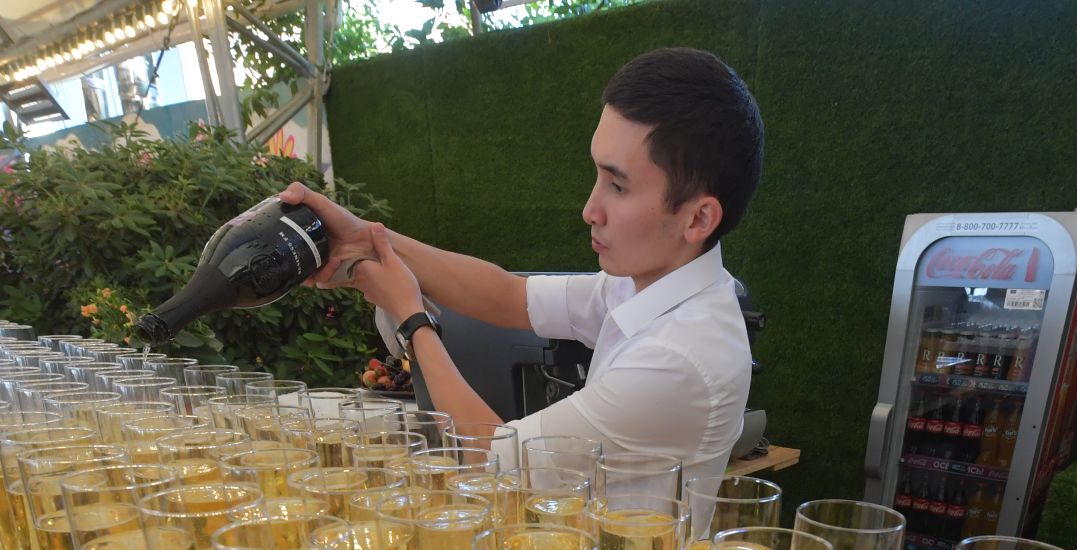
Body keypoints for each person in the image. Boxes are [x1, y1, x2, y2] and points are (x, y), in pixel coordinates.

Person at [281, 46, 764, 491]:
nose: (590, 209)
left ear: (698, 218)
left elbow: (496, 459)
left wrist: (411, 320)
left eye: (618, 187)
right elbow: (512, 296)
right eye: (597, 175)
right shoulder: (649, 287)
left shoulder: (679, 359)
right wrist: (366, 237)